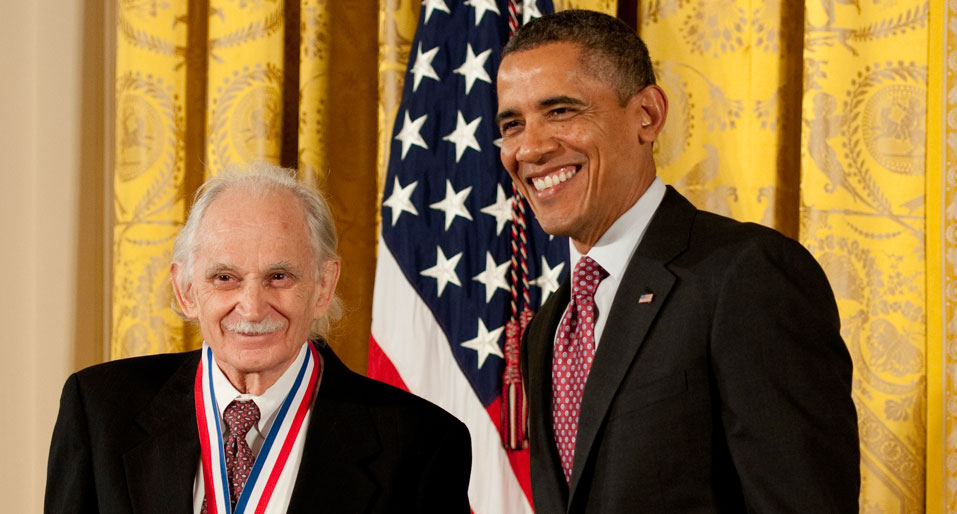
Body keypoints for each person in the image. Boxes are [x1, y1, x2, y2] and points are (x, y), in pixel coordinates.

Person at [495, 10, 859, 513]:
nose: (529, 148)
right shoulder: (549, 327)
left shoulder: (745, 275)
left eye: (560, 111)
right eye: (512, 124)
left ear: (647, 114)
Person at [45, 163, 472, 513]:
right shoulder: (99, 411)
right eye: (225, 277)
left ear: (323, 286)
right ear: (187, 290)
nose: (251, 307)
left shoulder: (423, 444)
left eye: (279, 276)